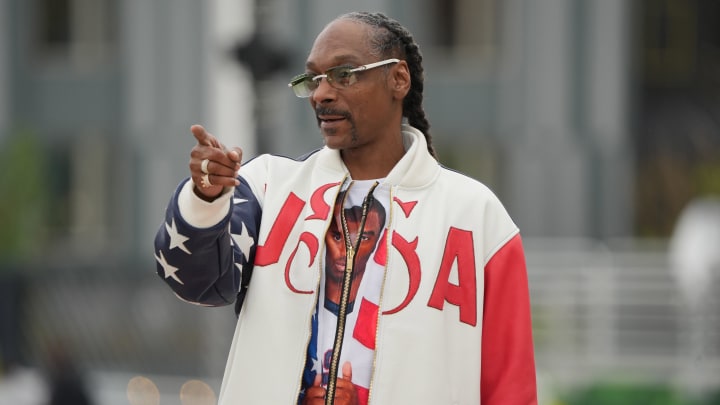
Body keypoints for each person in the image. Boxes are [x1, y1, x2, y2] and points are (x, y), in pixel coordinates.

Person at [154, 11, 537, 405]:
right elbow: (198, 282)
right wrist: (205, 200)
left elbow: (510, 384)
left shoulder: (475, 213)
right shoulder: (268, 186)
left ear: (398, 79)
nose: (321, 93)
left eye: (344, 74)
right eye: (314, 80)